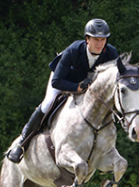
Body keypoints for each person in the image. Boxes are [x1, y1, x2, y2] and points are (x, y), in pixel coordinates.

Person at [6, 18, 120, 163]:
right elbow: (57, 81)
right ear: (87, 39)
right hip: (63, 79)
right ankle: (21, 143)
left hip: (88, 86)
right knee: (48, 104)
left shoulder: (111, 53)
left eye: (103, 39)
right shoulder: (73, 50)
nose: (99, 44)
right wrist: (77, 88)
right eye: (96, 39)